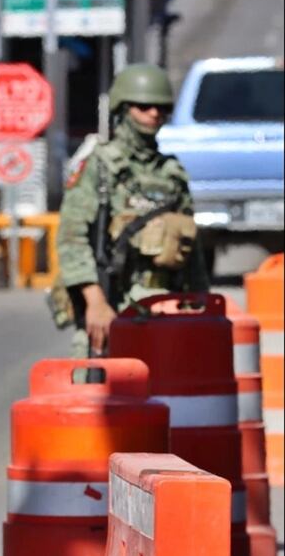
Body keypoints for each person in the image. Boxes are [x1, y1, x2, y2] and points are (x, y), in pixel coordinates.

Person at [56, 63, 209, 359]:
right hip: (112, 307)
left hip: (166, 312)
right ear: (123, 108)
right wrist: (96, 302)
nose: (154, 114)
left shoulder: (172, 173)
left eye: (161, 108)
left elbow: (193, 250)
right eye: (144, 106)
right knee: (98, 395)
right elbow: (72, 239)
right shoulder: (100, 167)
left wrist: (199, 304)